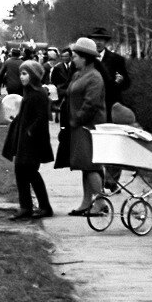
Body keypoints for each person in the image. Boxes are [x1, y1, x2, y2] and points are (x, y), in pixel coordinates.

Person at [58, 37, 108, 216]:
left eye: (75, 56)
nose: (73, 59)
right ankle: (87, 202)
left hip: (89, 127)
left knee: (90, 165)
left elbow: (91, 104)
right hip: (79, 127)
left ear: (85, 57)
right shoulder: (79, 75)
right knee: (83, 165)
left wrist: (76, 119)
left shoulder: (94, 77)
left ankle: (101, 201)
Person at [2, 59, 56, 220]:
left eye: (25, 74)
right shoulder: (29, 92)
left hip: (31, 142)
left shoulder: (38, 94)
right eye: (21, 74)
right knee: (23, 172)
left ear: (33, 76)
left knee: (29, 172)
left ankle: (40, 207)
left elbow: (40, 118)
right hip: (25, 140)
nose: (21, 77)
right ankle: (27, 206)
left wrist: (30, 131)